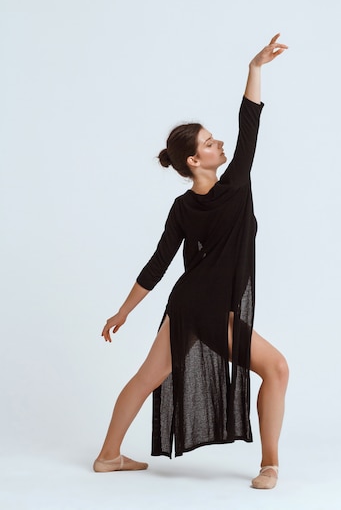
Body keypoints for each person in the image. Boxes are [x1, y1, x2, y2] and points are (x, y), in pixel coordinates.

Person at [93, 34, 289, 490]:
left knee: (147, 377)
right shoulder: (233, 186)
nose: (219, 142)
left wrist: (125, 311)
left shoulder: (189, 203)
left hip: (188, 306)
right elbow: (250, 125)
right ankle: (270, 465)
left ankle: (108, 456)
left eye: (214, 138)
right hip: (204, 310)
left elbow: (158, 266)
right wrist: (254, 69)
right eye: (208, 142)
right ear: (193, 159)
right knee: (276, 369)